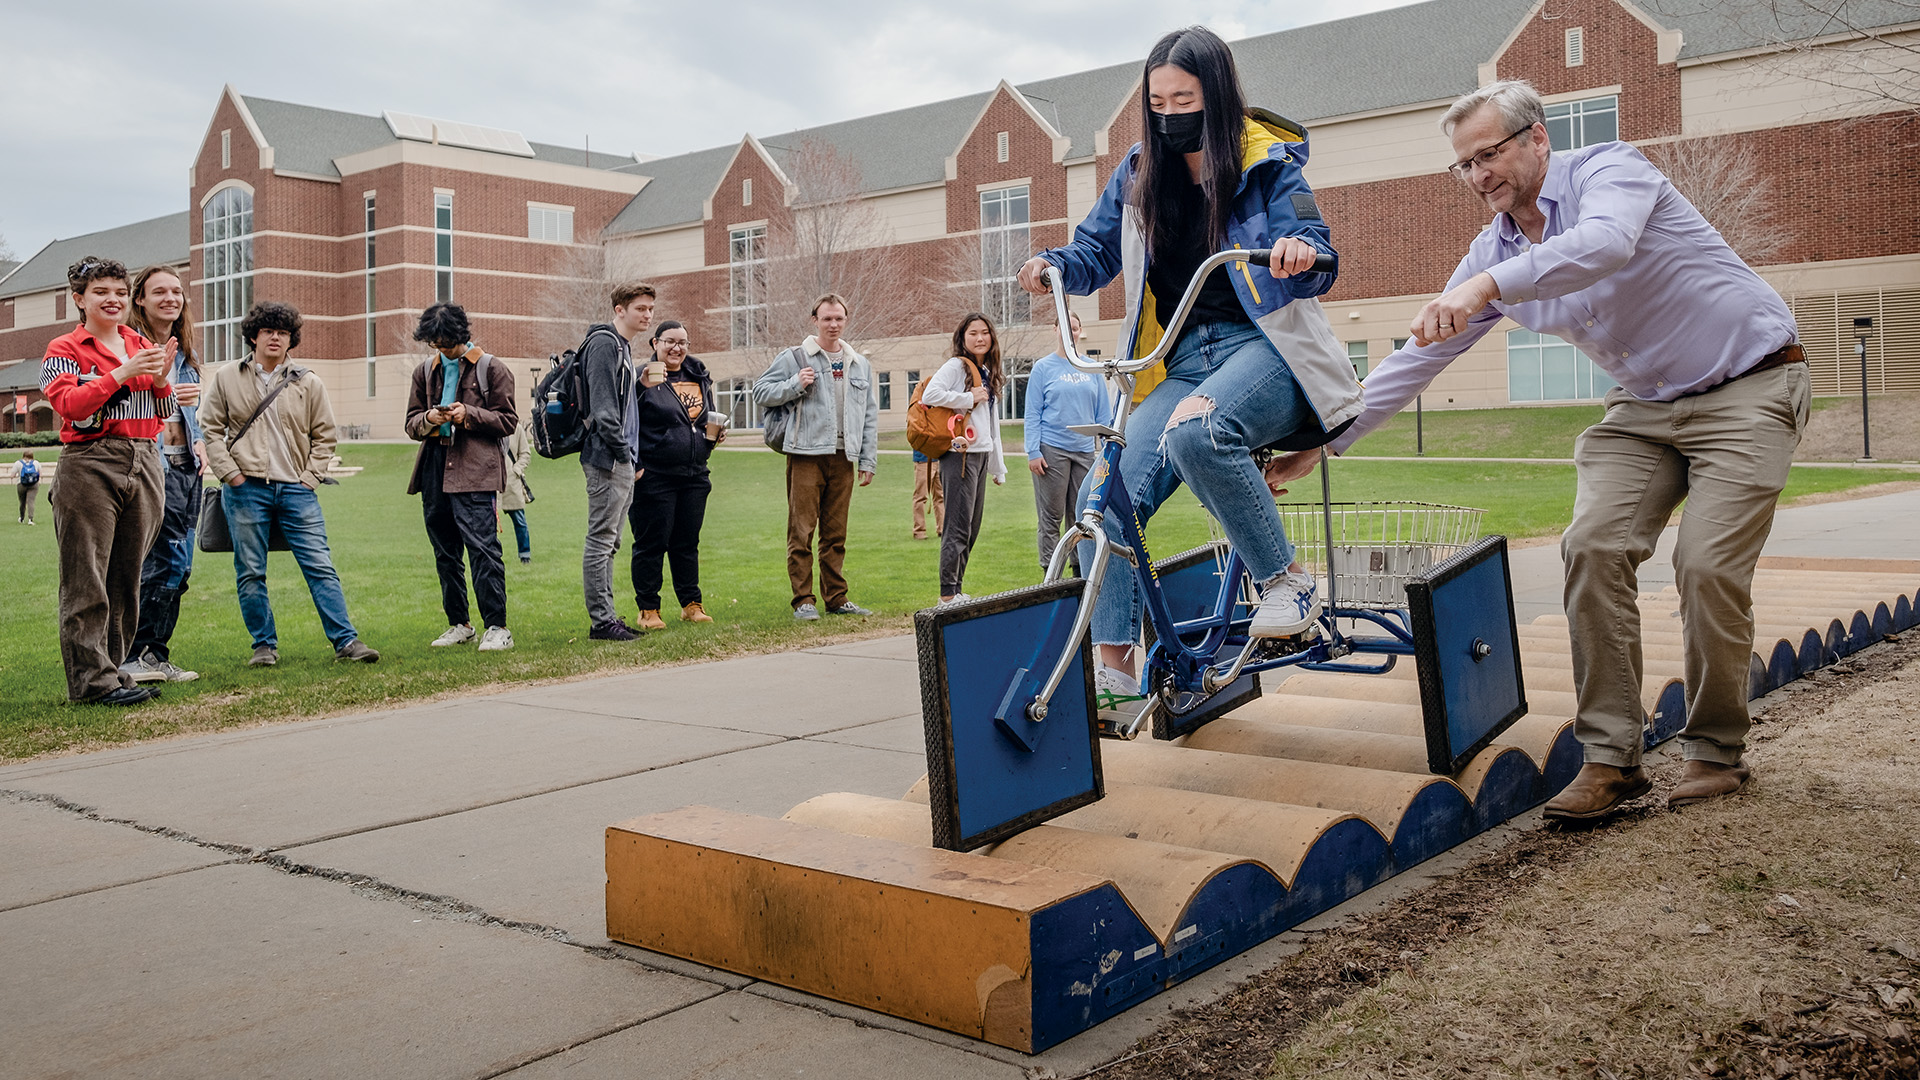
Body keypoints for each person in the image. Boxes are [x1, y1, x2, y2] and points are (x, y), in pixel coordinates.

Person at [1270, 79, 1809, 818]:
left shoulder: (1609, 171)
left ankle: (1715, 750)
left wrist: (1488, 284)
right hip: (1645, 408)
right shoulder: (1492, 248)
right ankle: (1612, 759)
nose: (1478, 175)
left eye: (1489, 153)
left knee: (1706, 564)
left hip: (1750, 386)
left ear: (1536, 139)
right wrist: (1324, 442)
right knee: (1591, 546)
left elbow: (1605, 246)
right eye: (1464, 165)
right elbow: (1417, 356)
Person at [1017, 26, 1361, 706]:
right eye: (1160, 101)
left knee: (1195, 432)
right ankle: (1115, 663)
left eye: (1185, 98)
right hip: (1179, 360)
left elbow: (1316, 246)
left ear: (1218, 96)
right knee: (1106, 499)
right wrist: (1054, 265)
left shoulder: (1267, 162)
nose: (1171, 113)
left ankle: (1286, 582)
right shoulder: (1142, 170)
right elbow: (1095, 251)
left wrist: (1296, 249)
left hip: (1264, 351)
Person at [200, 302, 379, 667]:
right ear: (254, 335)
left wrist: (311, 477)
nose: (275, 338)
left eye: (282, 333)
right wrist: (230, 473)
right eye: (268, 331)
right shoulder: (226, 377)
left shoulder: (308, 381)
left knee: (319, 565)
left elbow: (325, 435)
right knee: (250, 569)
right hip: (246, 487)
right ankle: (263, 646)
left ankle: (346, 641)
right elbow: (210, 428)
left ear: (290, 339)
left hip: (298, 490)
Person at [39, 256, 174, 706]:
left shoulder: (139, 340)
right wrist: (121, 374)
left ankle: (114, 674)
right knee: (86, 578)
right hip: (90, 461)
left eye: (119, 291)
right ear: (79, 299)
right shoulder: (62, 349)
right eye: (101, 292)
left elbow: (162, 412)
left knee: (125, 578)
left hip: (144, 457)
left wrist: (159, 381)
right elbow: (71, 406)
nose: (113, 300)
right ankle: (91, 684)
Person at [753, 293, 880, 621]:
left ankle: (837, 599)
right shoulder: (795, 358)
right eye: (827, 318)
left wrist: (867, 459)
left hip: (843, 457)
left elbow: (868, 415)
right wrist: (795, 383)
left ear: (845, 320)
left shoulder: (859, 363)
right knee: (802, 530)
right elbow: (760, 392)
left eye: (838, 318)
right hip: (805, 455)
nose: (833, 324)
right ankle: (803, 601)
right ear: (815, 320)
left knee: (836, 534)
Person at [404, 302, 518, 652]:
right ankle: (459, 624)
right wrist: (430, 419)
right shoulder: (425, 371)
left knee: (483, 551)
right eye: (434, 343)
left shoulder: (491, 368)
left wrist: (468, 414)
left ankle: (497, 628)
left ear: (461, 336)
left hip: (475, 471)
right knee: (445, 553)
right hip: (434, 469)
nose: (440, 349)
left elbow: (508, 422)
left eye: (445, 343)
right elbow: (411, 423)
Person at [121, 266, 205, 684]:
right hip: (151, 464)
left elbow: (189, 411)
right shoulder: (129, 348)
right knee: (161, 561)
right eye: (159, 291)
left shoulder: (184, 354)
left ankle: (155, 654)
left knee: (180, 566)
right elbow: (129, 402)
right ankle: (136, 654)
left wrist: (201, 441)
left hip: (185, 464)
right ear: (140, 299)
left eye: (176, 291)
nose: (170, 298)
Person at [628, 320, 722, 629]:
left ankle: (691, 604)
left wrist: (713, 434)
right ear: (654, 343)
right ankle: (648, 610)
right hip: (654, 475)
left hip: (694, 473)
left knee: (686, 543)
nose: (676, 348)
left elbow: (701, 416)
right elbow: (627, 423)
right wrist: (637, 464)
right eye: (669, 341)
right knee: (651, 544)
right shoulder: (642, 378)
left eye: (682, 342)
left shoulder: (698, 375)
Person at [579, 282, 656, 641]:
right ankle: (601, 623)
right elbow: (604, 412)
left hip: (620, 459)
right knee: (601, 539)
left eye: (650, 309)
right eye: (640, 308)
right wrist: (624, 456)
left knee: (611, 542)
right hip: (606, 460)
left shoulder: (622, 347)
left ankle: (607, 617)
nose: (648, 315)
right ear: (619, 310)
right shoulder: (604, 344)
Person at [920, 313, 1008, 603]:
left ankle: (957, 589)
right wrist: (969, 398)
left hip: (981, 454)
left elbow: (992, 423)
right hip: (960, 454)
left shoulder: (987, 370)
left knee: (972, 526)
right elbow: (931, 394)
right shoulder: (957, 365)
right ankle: (947, 594)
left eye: (985, 333)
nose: (980, 338)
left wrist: (998, 466)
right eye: (973, 333)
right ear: (963, 338)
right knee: (957, 525)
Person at [1024, 309, 1111, 575]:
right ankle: (1050, 575)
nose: (1070, 331)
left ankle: (1079, 571)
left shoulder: (1091, 367)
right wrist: (1032, 451)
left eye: (1074, 327)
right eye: (1064, 326)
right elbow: (1032, 412)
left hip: (1085, 452)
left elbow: (1103, 412)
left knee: (1082, 517)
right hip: (1052, 450)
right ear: (1055, 329)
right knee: (1051, 517)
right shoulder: (1043, 368)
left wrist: (1107, 448)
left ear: (1079, 332)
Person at [501, 413, 533, 565]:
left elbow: (525, 453)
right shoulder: (488, 426)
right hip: (491, 482)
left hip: (511, 482)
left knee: (520, 521)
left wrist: (517, 470)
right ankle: (492, 555)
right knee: (488, 523)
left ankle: (525, 555)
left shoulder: (517, 429)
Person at [910, 447, 942, 540]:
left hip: (939, 458)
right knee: (921, 495)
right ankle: (919, 530)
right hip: (923, 460)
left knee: (940, 495)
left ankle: (942, 528)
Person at [16, 450, 41, 524]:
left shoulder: (18, 463)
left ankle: (21, 518)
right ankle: (30, 519)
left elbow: (12, 474)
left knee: (22, 502)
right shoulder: (36, 463)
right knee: (31, 501)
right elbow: (40, 473)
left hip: (21, 484)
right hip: (34, 484)